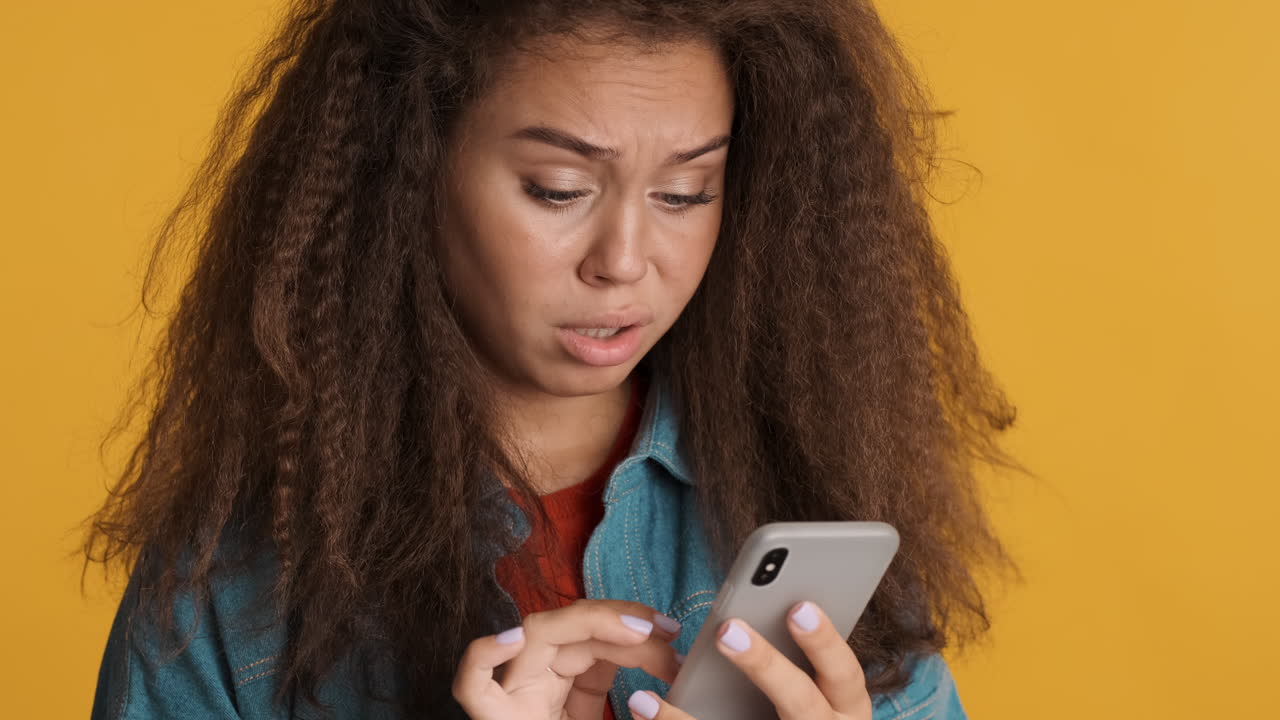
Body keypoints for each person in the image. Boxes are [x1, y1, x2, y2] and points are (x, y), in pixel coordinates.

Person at [85, 1, 1021, 718]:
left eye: (686, 193)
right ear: (408, 172)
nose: (624, 261)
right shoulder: (231, 589)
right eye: (558, 188)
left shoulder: (811, 504)